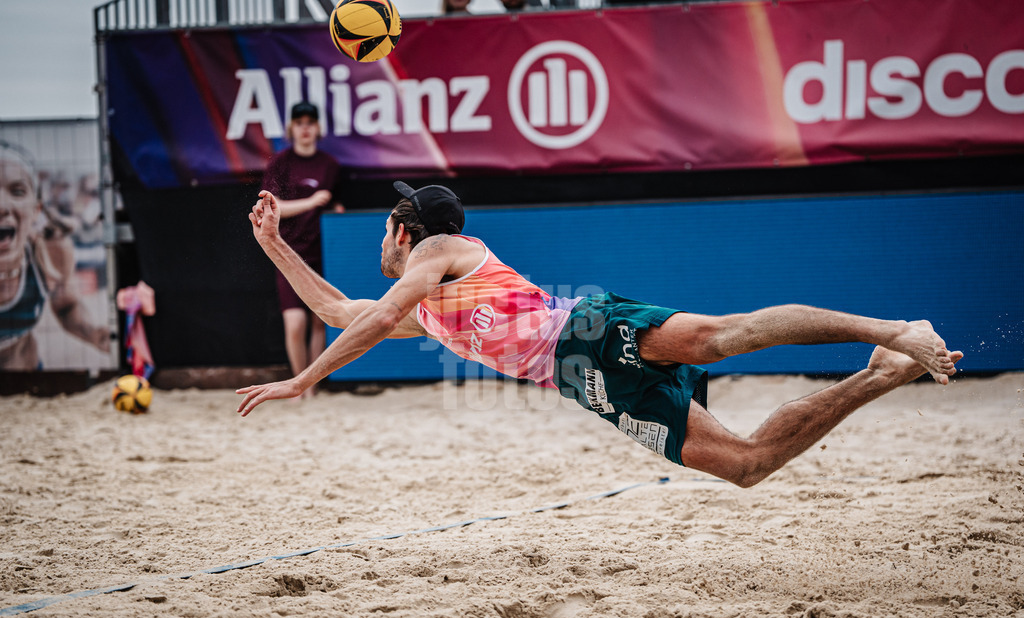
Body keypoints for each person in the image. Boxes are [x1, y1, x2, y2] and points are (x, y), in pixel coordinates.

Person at [237, 183, 962, 488]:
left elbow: (373, 316)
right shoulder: (424, 306)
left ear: (406, 230)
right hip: (580, 382)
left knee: (723, 337)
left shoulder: (436, 254)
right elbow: (340, 311)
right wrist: (272, 242)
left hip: (585, 331)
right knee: (747, 466)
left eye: (387, 227)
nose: (383, 239)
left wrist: (307, 378)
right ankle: (882, 371)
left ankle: (899, 327)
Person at [0, 142, 111, 370]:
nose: (2, 205)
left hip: (28, 383)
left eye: (17, 191)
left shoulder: (51, 251)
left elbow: (66, 307)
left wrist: (94, 333)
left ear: (35, 210)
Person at [262, 101, 344, 398]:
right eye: (300, 122)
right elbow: (273, 205)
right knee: (295, 323)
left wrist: (334, 210)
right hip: (288, 253)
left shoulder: (330, 166)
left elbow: (336, 207)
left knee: (321, 321)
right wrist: (312, 201)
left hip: (322, 253)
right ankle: (297, 389)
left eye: (311, 121)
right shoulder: (280, 163)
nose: (306, 127)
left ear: (318, 128)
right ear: (291, 128)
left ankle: (311, 386)